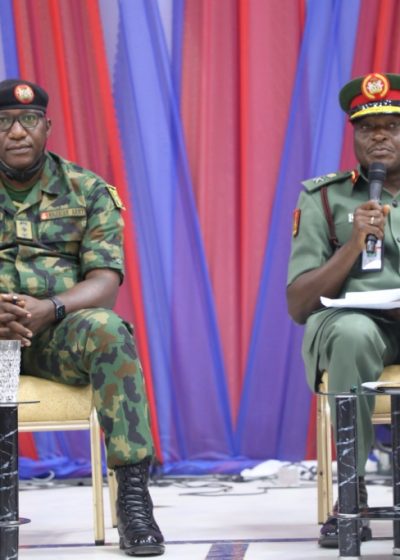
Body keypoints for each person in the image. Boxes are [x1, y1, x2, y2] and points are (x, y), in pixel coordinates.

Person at [0, 78, 164, 557]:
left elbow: (105, 281)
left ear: (47, 127)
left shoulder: (87, 189)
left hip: (56, 336)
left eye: (29, 120)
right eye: (4, 122)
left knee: (109, 330)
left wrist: (49, 309)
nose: (17, 132)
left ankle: (133, 499)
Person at [287, 72, 400, 548]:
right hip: (360, 327)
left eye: (391, 126)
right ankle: (351, 492)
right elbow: (299, 303)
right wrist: (353, 245)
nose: (378, 136)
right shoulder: (324, 197)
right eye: (366, 127)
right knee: (351, 333)